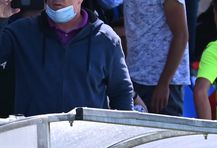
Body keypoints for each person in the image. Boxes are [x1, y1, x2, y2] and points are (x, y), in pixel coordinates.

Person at [0, 0, 133, 115]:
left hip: (88, 134)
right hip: (34, 133)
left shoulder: (106, 39)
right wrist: (1, 19)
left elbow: (121, 92)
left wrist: (123, 130)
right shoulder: (21, 32)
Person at [124, 0, 191, 116]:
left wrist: (164, 83)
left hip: (163, 86)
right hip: (134, 79)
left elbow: (181, 35)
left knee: (167, 128)